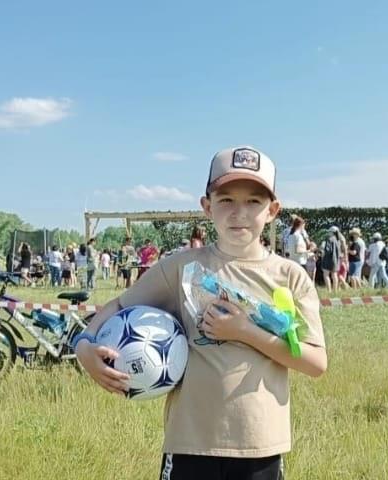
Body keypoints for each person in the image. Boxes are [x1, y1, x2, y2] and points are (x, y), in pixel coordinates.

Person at [74, 146, 326, 479]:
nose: (239, 212)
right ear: (207, 206)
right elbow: (119, 306)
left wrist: (245, 331)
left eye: (253, 201)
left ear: (272, 210)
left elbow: (315, 363)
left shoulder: (289, 277)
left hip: (260, 445)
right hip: (190, 444)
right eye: (226, 200)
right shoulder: (181, 268)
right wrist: (84, 345)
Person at [320, 226, 342, 291]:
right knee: (334, 275)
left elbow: (328, 250)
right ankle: (335, 291)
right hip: (336, 260)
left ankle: (329, 290)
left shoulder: (329, 239)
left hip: (328, 259)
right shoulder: (338, 240)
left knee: (326, 274)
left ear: (331, 232)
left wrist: (322, 252)